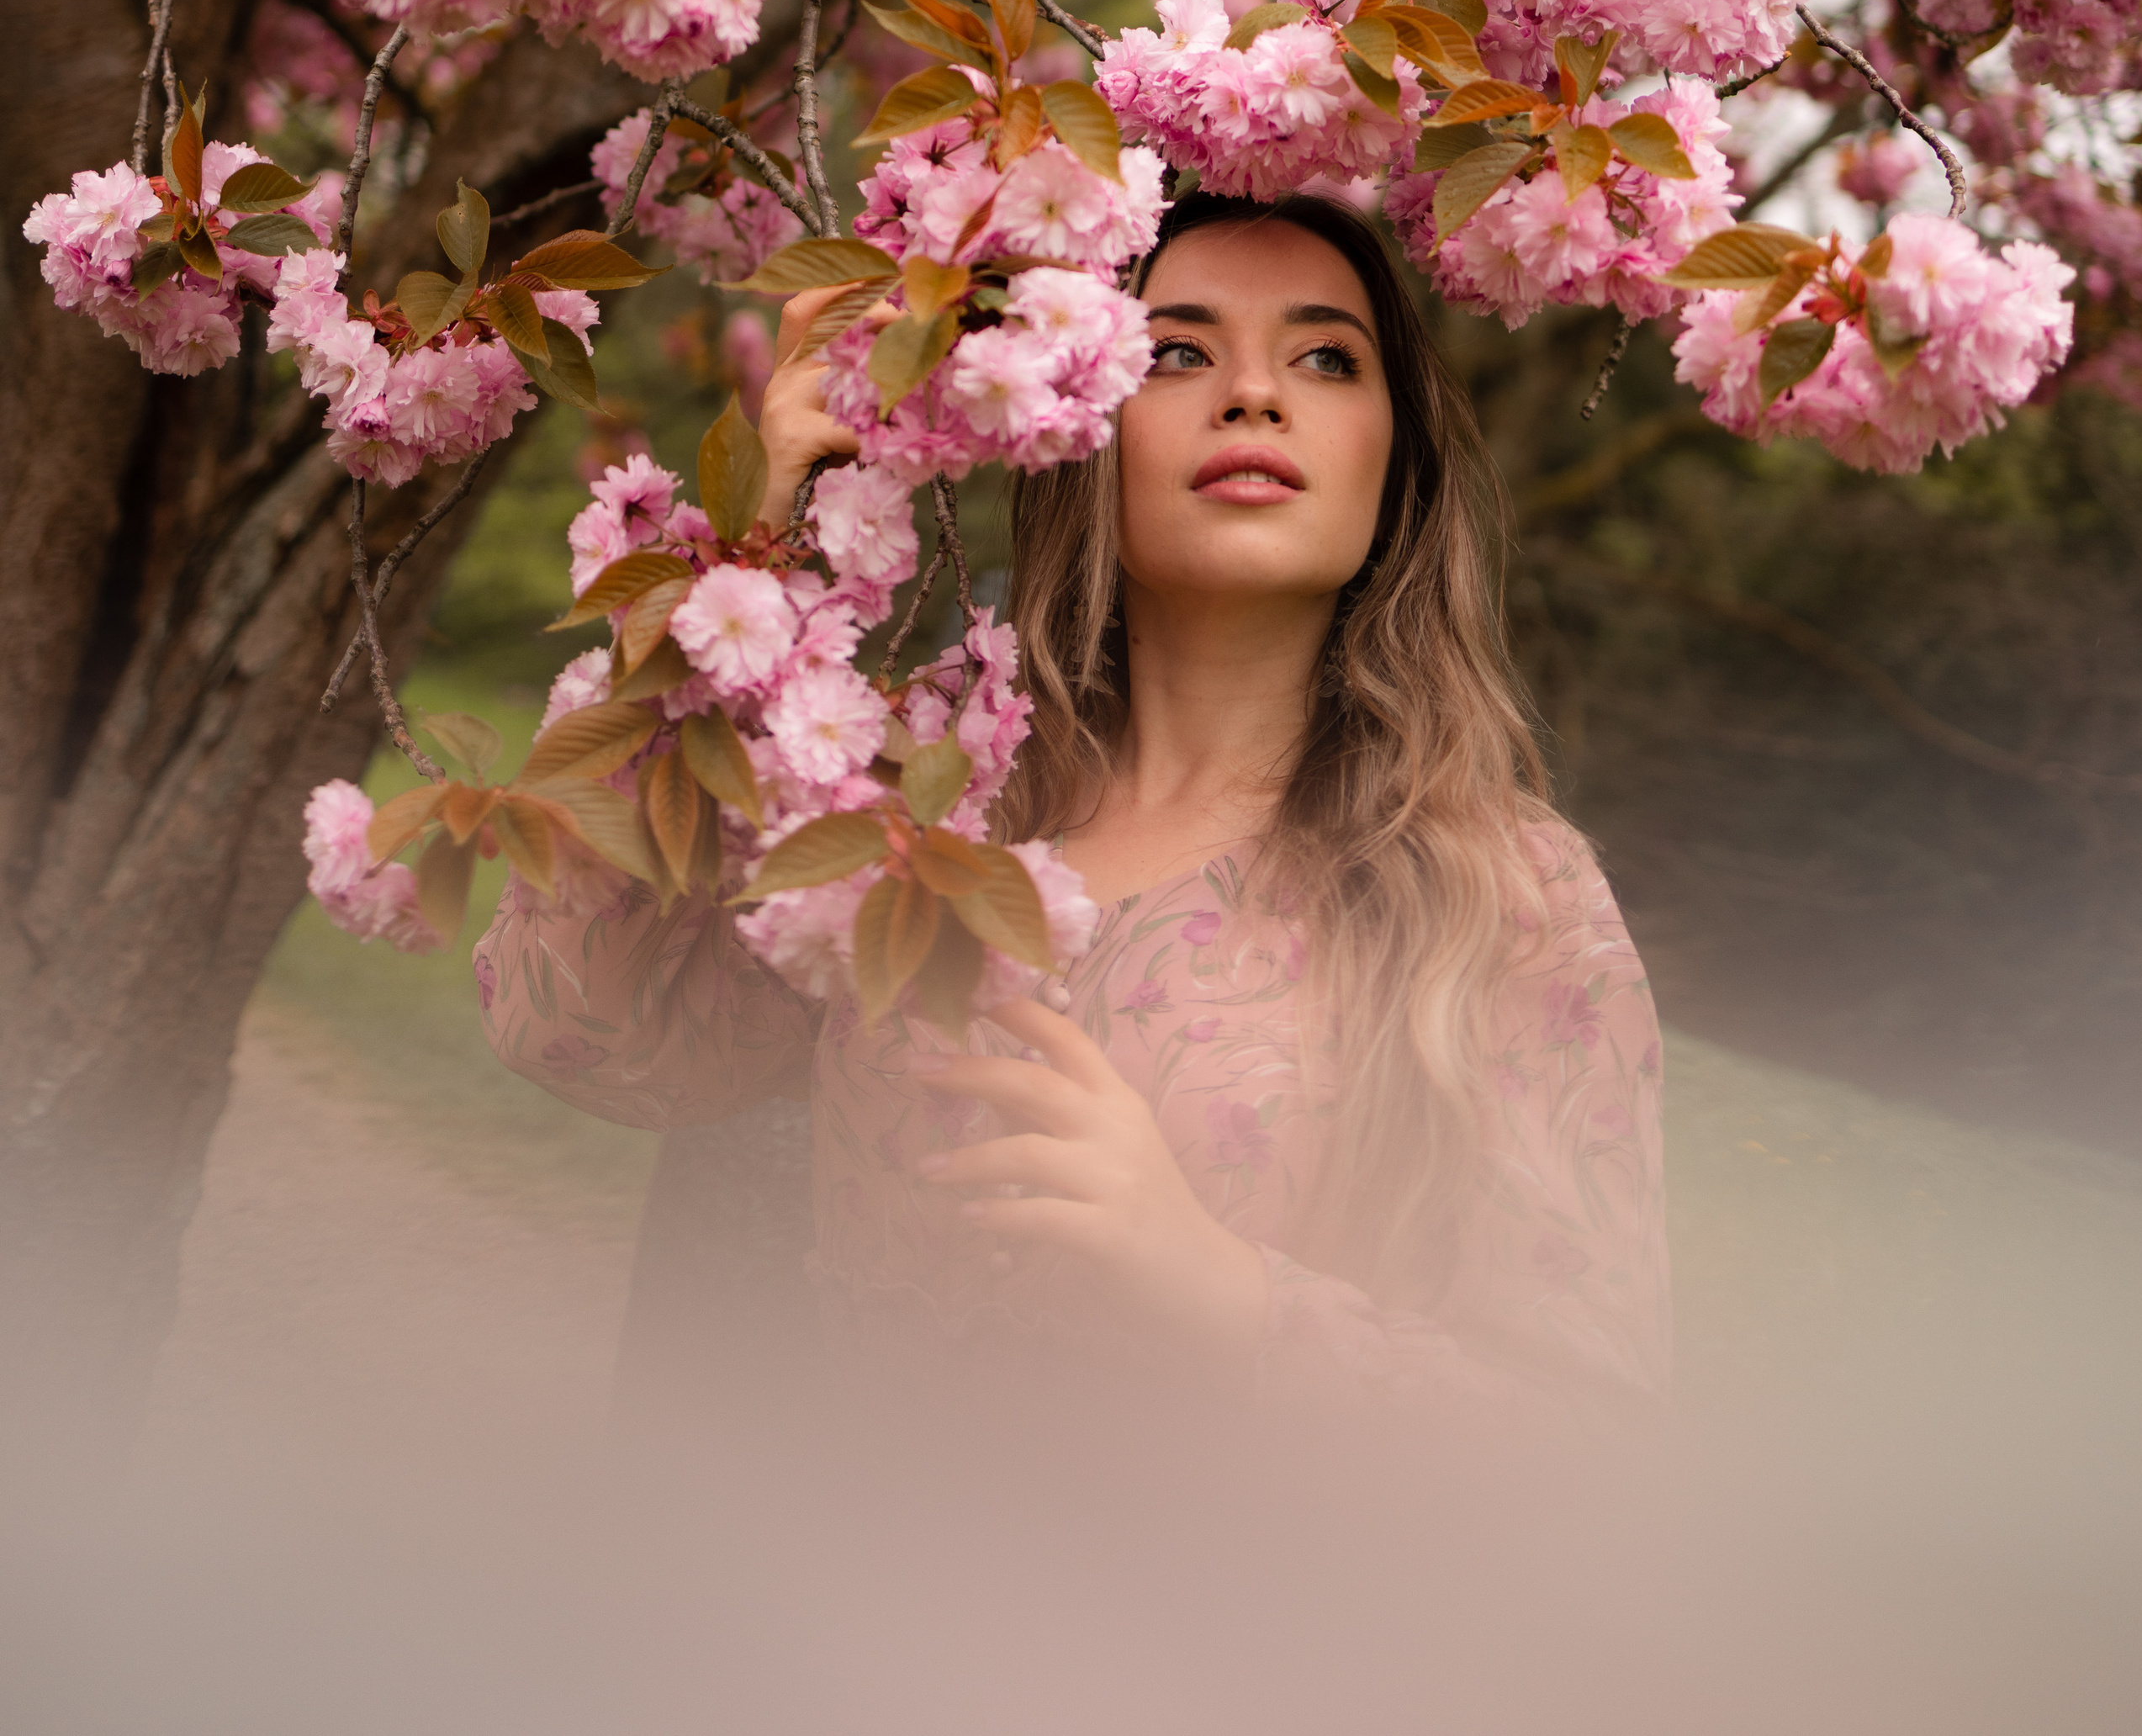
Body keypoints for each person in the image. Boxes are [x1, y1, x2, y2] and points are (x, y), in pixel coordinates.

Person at [476, 190, 1669, 1405]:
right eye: (1178, 351)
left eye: (1325, 355)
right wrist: (753, 541)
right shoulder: (923, 796)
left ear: (1395, 458)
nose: (1254, 394)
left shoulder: (1503, 888)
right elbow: (581, 1025)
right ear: (1077, 424)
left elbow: (1584, 1453)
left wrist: (1216, 1283)